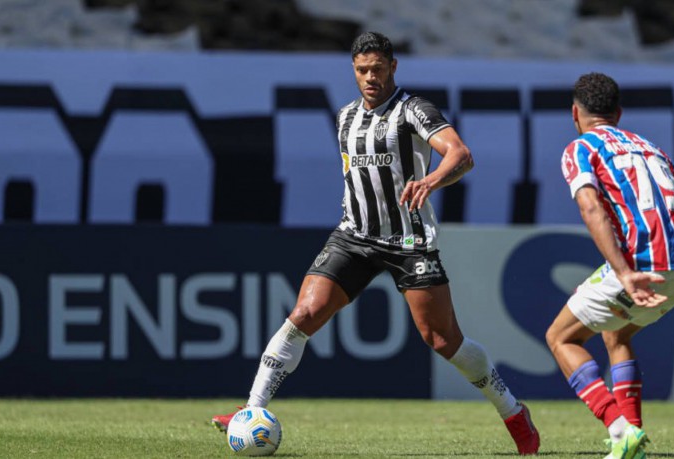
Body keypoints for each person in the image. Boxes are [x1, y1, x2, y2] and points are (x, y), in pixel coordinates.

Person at [211, 31, 540, 455]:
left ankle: (514, 412)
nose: (370, 77)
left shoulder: (413, 110)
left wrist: (431, 180)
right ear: (353, 70)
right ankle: (252, 410)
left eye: (378, 70)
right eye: (363, 70)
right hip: (355, 236)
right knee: (305, 312)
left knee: (442, 340)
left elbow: (460, 154)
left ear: (393, 68)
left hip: (409, 240)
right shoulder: (345, 116)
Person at [545, 72, 674, 459]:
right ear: (618, 113)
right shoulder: (652, 148)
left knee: (561, 338)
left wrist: (624, 272)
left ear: (575, 113)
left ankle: (619, 428)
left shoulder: (580, 148)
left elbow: (591, 208)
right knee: (617, 336)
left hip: (641, 265)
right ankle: (633, 438)